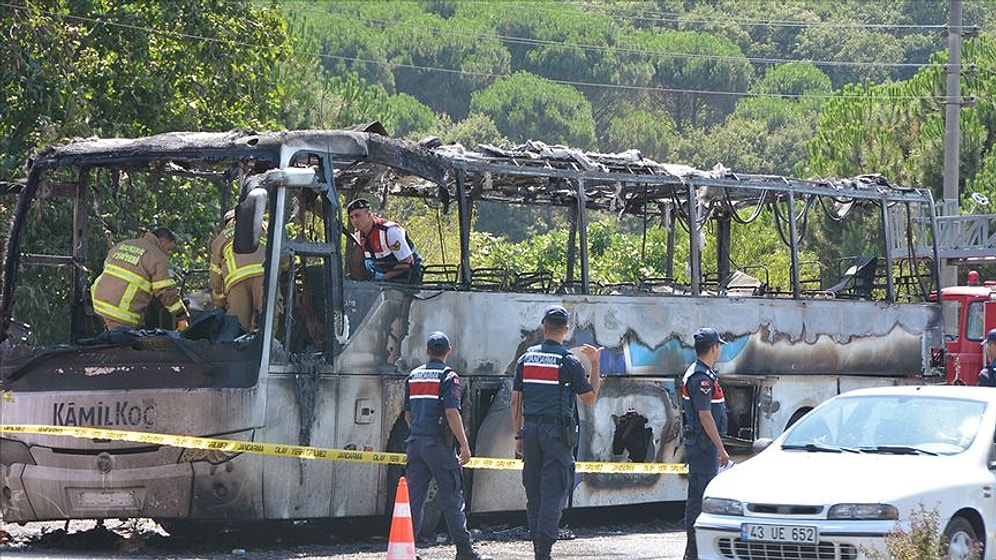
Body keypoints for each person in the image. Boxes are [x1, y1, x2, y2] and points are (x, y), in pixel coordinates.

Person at [511, 305, 602, 560]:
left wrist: (518, 435)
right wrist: (595, 363)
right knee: (554, 491)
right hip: (557, 434)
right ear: (566, 329)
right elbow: (590, 398)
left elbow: (516, 400)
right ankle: (544, 552)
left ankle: (537, 547)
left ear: (544, 327)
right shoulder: (569, 362)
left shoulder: (526, 358)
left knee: (534, 493)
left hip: (530, 430)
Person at [404, 331, 492, 560]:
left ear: (427, 351)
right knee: (452, 497)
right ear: (449, 351)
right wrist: (464, 445)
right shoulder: (448, 377)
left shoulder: (414, 376)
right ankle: (464, 551)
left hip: (415, 443)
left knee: (414, 499)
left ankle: (406, 550)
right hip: (439, 446)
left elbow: (408, 415)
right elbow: (452, 412)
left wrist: (419, 433)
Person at [681, 327, 730, 560]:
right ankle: (693, 553)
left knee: (700, 498)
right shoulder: (701, 378)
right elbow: (705, 415)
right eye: (718, 345)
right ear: (713, 348)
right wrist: (721, 449)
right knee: (699, 500)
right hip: (703, 447)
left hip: (702, 445)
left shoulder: (702, 373)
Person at [91, 227, 189, 331]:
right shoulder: (158, 257)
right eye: (169, 249)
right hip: (121, 313)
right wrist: (181, 316)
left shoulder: (123, 245)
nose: (169, 254)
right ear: (163, 241)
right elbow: (166, 292)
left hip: (98, 305)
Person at [209, 209, 265, 331]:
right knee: (268, 320)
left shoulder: (222, 238)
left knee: (237, 325)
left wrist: (220, 303)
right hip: (265, 277)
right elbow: (284, 256)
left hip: (237, 282)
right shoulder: (264, 227)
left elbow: (215, 276)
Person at [346, 197, 422, 284]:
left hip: (407, 278)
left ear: (369, 214)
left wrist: (383, 277)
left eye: (357, 215)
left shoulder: (389, 231)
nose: (354, 220)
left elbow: (407, 261)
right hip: (383, 279)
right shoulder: (359, 236)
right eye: (351, 217)